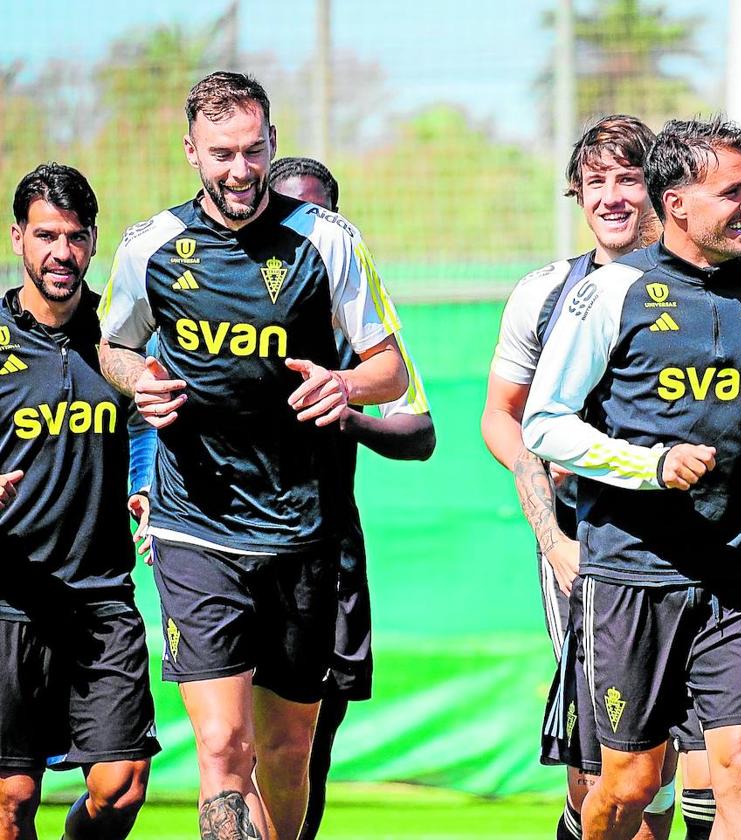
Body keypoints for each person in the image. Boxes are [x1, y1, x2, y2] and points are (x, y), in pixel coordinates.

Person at [523, 116, 741, 840]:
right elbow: (544, 424)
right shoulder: (611, 292)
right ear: (677, 202)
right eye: (732, 192)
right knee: (632, 784)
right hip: (635, 576)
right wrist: (648, 466)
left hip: (740, 566)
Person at [98, 72, 407, 840]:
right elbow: (112, 345)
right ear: (191, 152)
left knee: (287, 750)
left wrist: (345, 384)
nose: (240, 170)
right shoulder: (151, 248)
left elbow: (391, 367)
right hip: (195, 525)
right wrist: (142, 381)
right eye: (222, 154)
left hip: (301, 531)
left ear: (272, 141)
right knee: (222, 746)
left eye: (253, 150)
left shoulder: (328, 240)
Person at [482, 114, 679, 840]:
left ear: (659, 188)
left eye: (629, 178)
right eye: (596, 182)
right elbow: (501, 418)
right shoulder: (544, 294)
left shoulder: (710, 289)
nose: (613, 197)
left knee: (708, 769)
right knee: (607, 774)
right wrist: (552, 539)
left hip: (693, 549)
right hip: (584, 546)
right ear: (577, 194)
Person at [268, 157, 437, 840]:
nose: (301, 229)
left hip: (330, 553)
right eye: (287, 213)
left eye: (317, 215)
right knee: (241, 744)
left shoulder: (360, 339)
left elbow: (420, 431)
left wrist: (348, 410)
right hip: (240, 556)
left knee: (312, 741)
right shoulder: (223, 309)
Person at [0, 163, 159, 838]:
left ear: (93, 242)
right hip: (10, 596)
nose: (60, 252)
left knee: (120, 789)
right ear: (17, 239)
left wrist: (147, 484)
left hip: (101, 596)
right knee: (10, 801)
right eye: (45, 235)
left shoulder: (119, 333)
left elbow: (147, 419)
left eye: (74, 236)